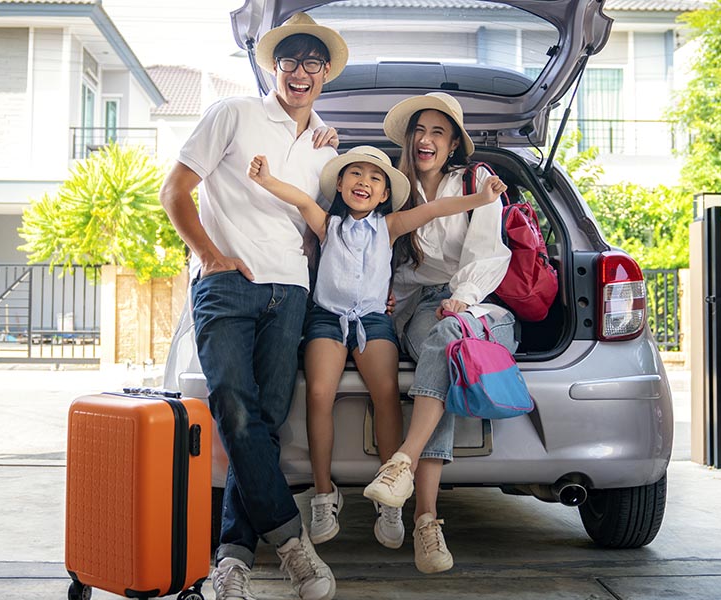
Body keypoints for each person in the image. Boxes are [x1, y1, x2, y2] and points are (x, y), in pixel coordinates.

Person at [159, 13, 348, 600]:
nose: (299, 72)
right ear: (273, 66)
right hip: (228, 287)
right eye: (289, 60)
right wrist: (210, 256)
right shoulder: (233, 114)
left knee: (263, 426)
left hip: (290, 291)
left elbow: (328, 229)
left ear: (324, 75)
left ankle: (234, 558)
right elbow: (174, 190)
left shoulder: (325, 147)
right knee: (235, 411)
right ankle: (293, 547)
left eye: (312, 63)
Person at [248, 146, 504, 550]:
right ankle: (322, 494)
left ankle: (392, 497)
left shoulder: (391, 226)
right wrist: (265, 181)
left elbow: (437, 210)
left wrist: (480, 199)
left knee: (385, 394)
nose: (363, 182)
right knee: (318, 395)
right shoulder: (327, 224)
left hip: (372, 320)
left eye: (374, 177)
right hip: (327, 319)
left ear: (385, 193)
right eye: (355, 174)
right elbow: (298, 198)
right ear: (341, 184)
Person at [362, 92, 518, 574]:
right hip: (418, 310)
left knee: (451, 335)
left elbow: (489, 254)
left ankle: (403, 467)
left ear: (452, 145)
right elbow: (363, 248)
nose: (426, 139)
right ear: (408, 139)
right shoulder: (390, 187)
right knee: (446, 345)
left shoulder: (475, 182)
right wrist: (381, 291)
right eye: (419, 131)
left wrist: (464, 297)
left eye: (438, 132)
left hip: (480, 306)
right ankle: (426, 523)